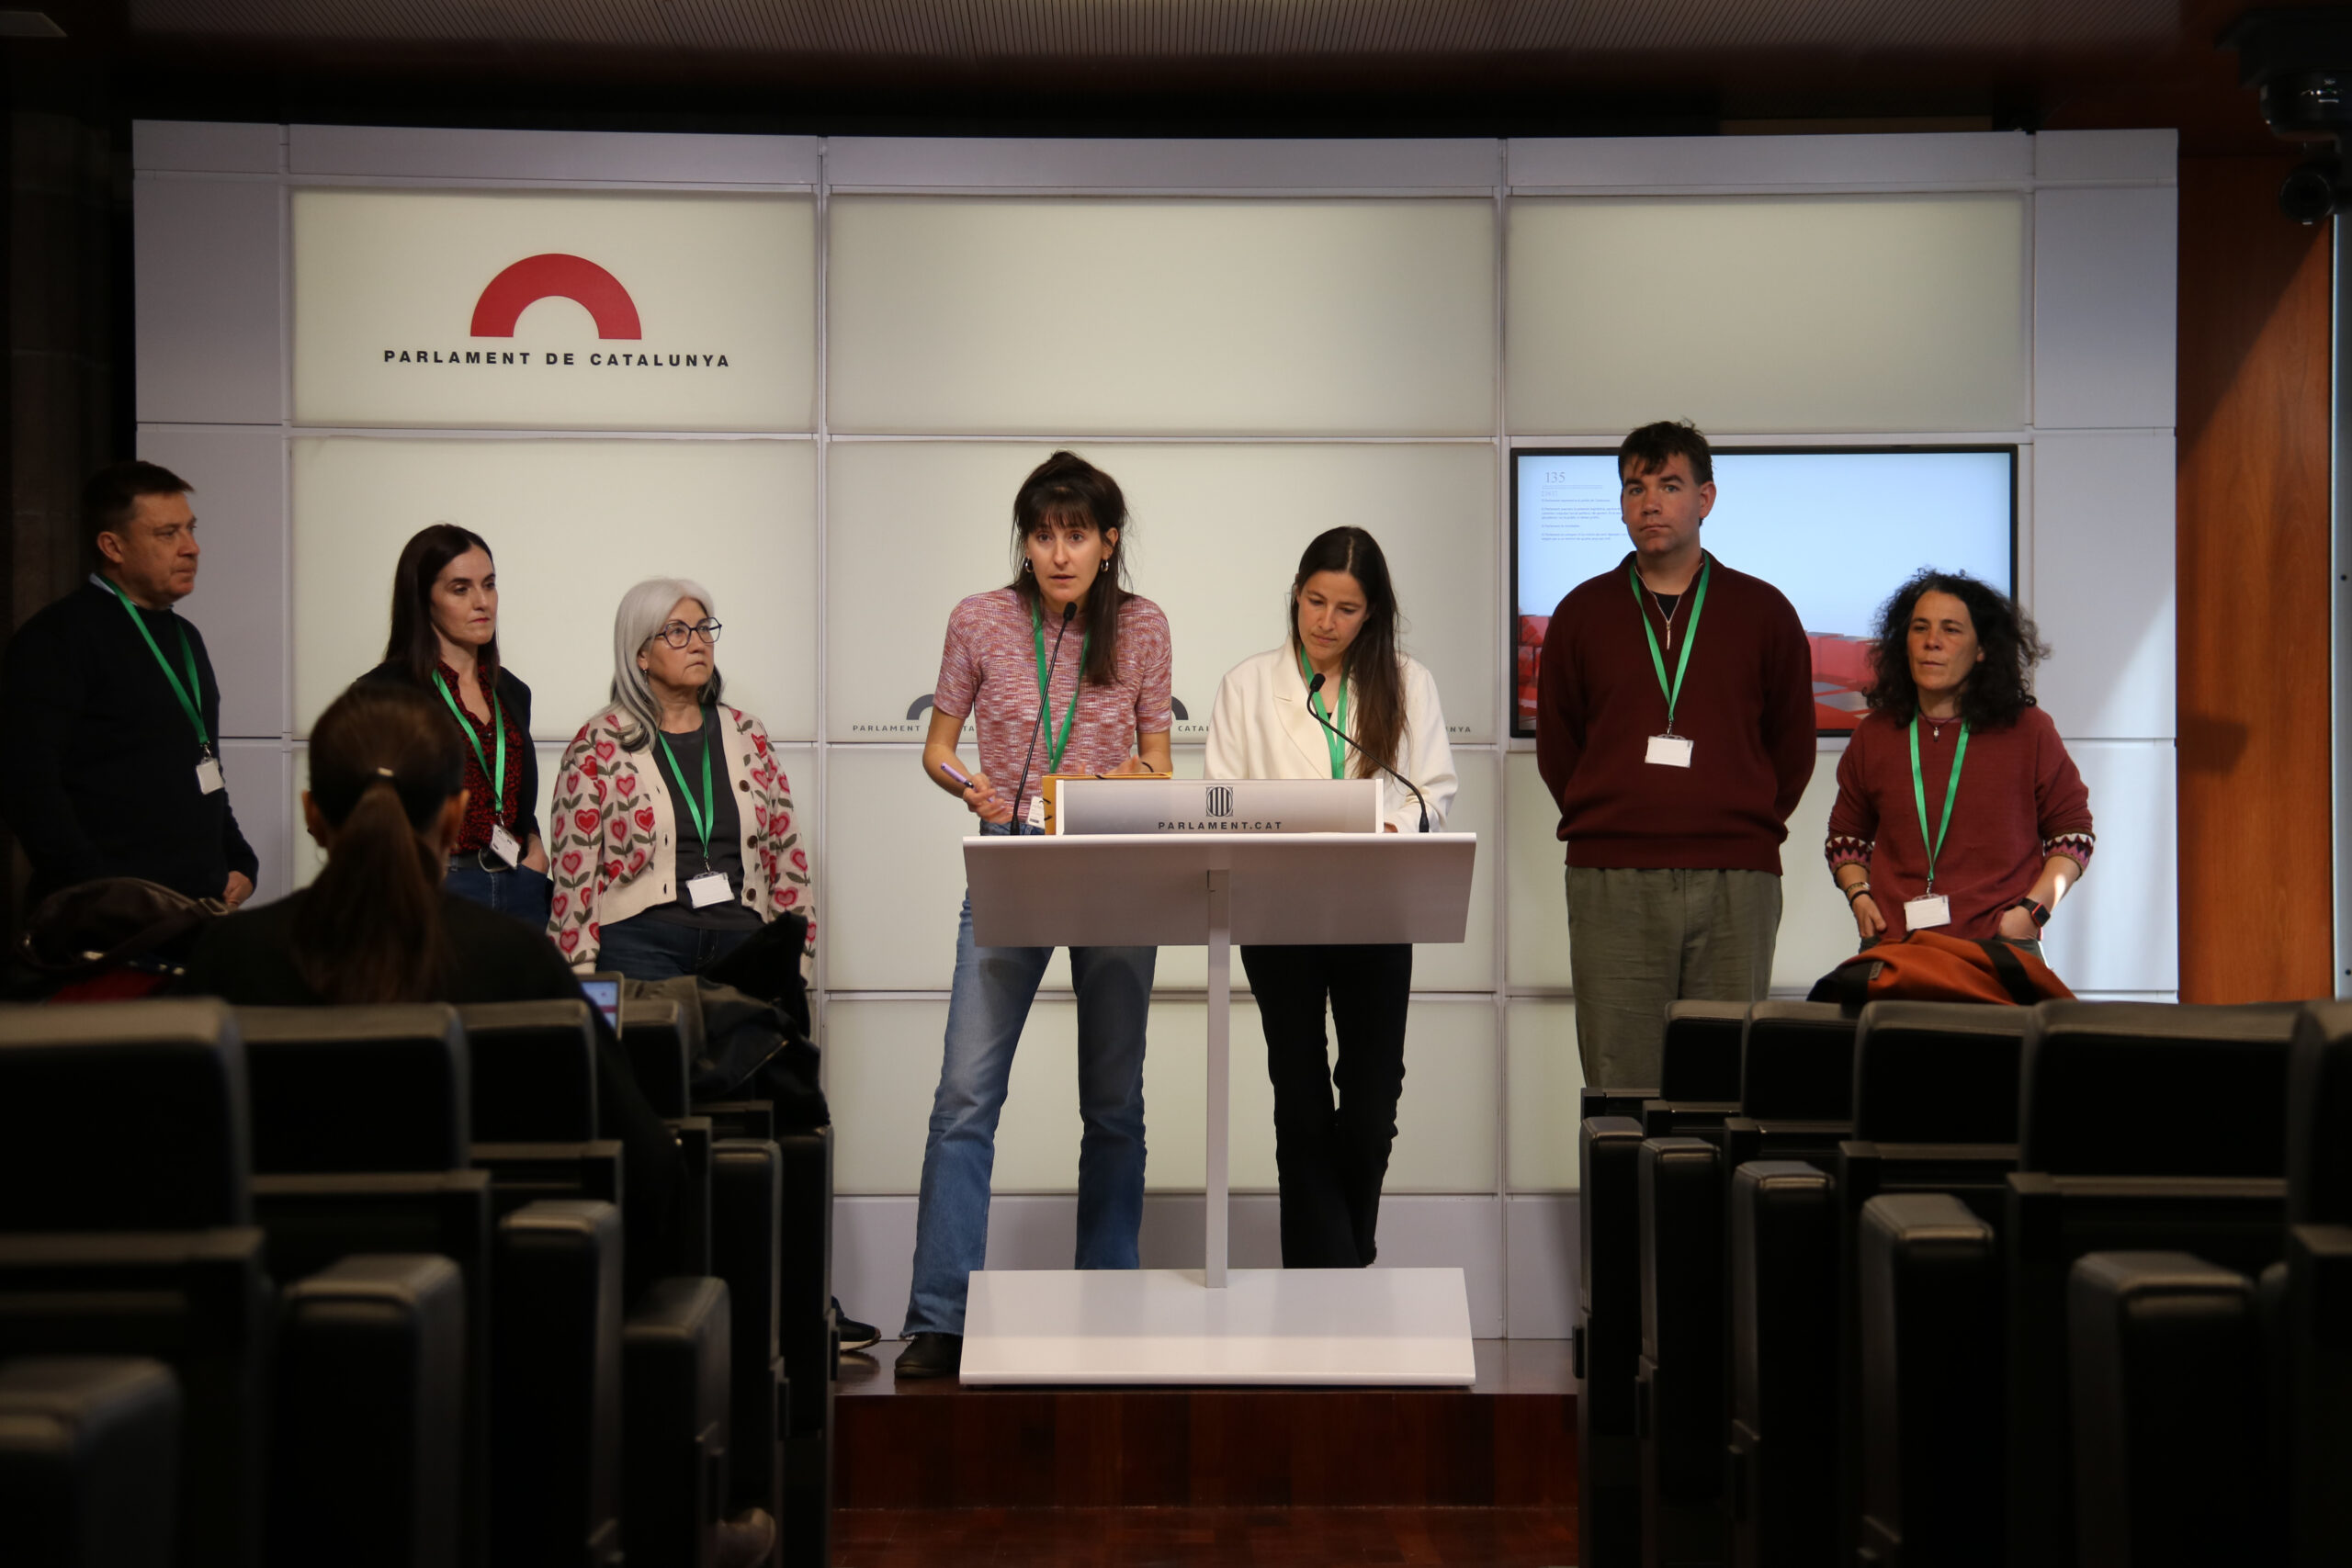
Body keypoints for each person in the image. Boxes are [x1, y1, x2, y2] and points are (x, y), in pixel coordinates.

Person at [896, 450, 1173, 1381]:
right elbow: (938, 747)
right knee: (964, 1097)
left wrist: (1118, 781)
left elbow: (1160, 763)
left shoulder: (1142, 625)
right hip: (1011, 851)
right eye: (1043, 535)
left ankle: (1108, 1300)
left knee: (1115, 1103)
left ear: (1109, 542)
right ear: (1025, 541)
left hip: (1114, 862)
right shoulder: (979, 618)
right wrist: (967, 784)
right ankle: (940, 1316)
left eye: (1077, 535)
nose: (1058, 554)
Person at [1204, 526, 1458, 1268]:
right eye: (1315, 601)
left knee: (1373, 1102)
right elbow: (1220, 797)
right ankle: (1328, 1280)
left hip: (1375, 904)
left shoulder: (1408, 682)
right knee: (1301, 1097)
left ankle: (1347, 1254)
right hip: (1277, 911)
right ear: (1295, 594)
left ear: (1371, 612)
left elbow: (1432, 790)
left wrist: (1392, 824)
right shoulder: (1247, 684)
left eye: (1346, 608)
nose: (1326, 621)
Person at [1534, 420, 1814, 1090]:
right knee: (1620, 1082)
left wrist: (1731, 819)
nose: (1650, 503)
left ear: (1705, 499)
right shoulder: (1581, 613)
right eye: (1635, 488)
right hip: (1612, 875)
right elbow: (1559, 748)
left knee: (1725, 1083)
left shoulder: (1765, 611)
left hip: (1736, 876)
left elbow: (1792, 748)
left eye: (1669, 485)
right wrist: (1621, 814)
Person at [0, 460, 258, 908]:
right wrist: (98, 892)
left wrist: (237, 858)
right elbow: (28, 785)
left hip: (197, 909)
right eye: (167, 534)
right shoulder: (59, 637)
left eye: (190, 529)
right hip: (108, 920)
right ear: (113, 546)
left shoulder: (185, 636)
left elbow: (201, 762)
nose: (191, 548)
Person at [545, 579, 814, 981]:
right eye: (676, 632)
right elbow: (575, 875)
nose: (698, 644)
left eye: (704, 629)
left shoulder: (748, 734)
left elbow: (787, 854)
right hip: (639, 946)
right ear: (641, 654)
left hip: (743, 942)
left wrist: (796, 961)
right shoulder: (598, 743)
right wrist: (577, 975)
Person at [1826, 570, 2093, 951]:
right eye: (1920, 628)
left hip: (1999, 946)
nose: (1931, 642)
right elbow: (1846, 837)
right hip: (1897, 948)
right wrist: (1859, 897)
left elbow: (2073, 835)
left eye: (1950, 630)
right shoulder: (1875, 734)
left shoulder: (2028, 729)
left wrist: (2032, 913)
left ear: (1982, 649)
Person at [357, 525, 550, 931]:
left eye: (489, 585)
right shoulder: (385, 691)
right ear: (422, 598)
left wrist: (533, 845)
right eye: (460, 589)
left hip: (519, 883)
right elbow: (349, 804)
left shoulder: (512, 691)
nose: (482, 602)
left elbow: (510, 791)